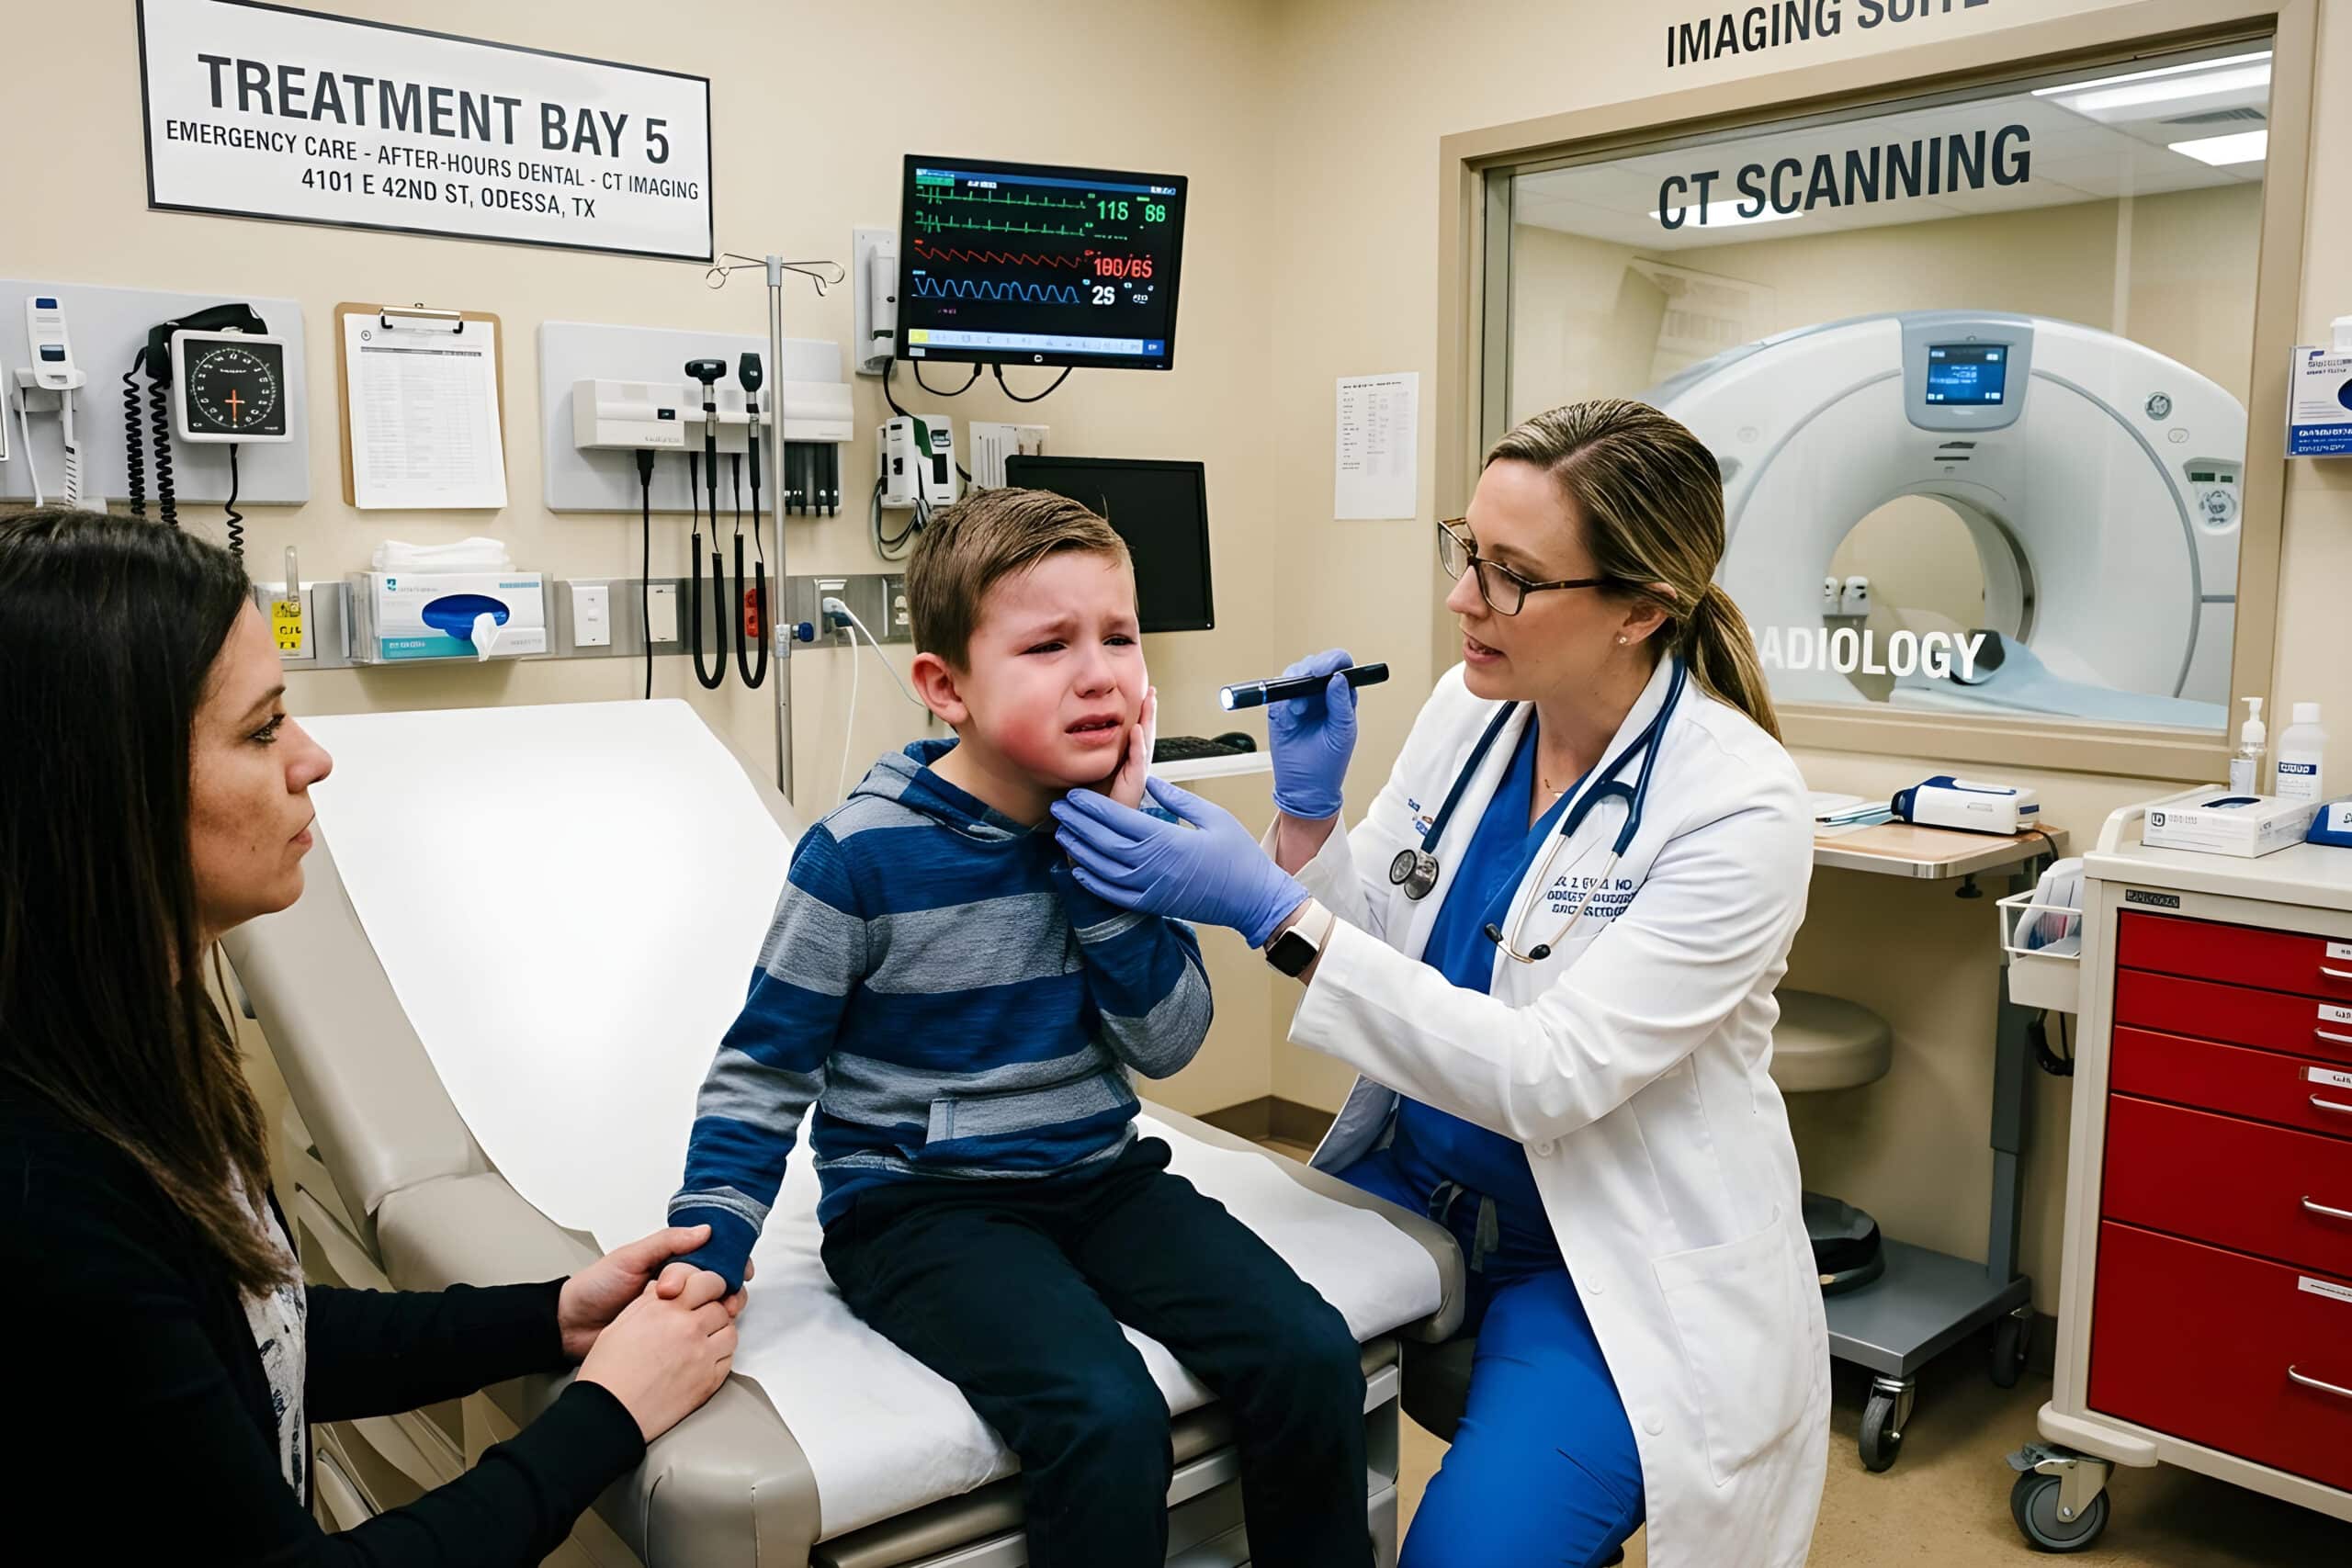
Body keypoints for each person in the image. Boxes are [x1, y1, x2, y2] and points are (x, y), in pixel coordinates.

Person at [1052, 400, 1831, 1568]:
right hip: (1410, 1180)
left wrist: (1271, 909)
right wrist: (1307, 823)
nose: (1461, 597)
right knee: (1185, 1385)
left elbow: (1550, 1076)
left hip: (1595, 1253)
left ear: (1639, 610)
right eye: (1466, 548)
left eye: (1510, 575)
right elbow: (1379, 935)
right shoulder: (1470, 710)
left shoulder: (1737, 805)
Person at [0, 508, 743, 1564]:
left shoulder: (130, 1051)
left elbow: (255, 1336)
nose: (313, 759)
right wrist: (610, 1411)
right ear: (105, 787)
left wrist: (554, 1315)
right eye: (263, 730)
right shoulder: (45, 1196)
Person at [663, 488, 1372, 1568]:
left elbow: (1168, 1045)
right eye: (1048, 645)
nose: (1100, 674)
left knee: (1310, 1354)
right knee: (1104, 1414)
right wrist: (711, 1238)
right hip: (919, 1208)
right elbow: (764, 1069)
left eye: (1119, 637)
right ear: (945, 686)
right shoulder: (859, 857)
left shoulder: (1138, 832)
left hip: (1098, 1176)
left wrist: (1109, 883)